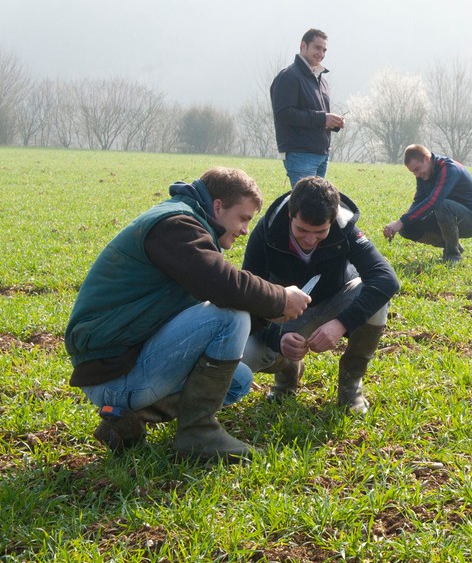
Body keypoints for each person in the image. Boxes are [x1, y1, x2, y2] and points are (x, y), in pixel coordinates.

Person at [65, 168, 312, 461]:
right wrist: (280, 298)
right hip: (112, 374)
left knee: (238, 379)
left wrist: (269, 315)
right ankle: (198, 434)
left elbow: (205, 293)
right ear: (218, 206)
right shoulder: (175, 225)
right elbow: (221, 283)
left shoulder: (186, 225)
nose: (246, 229)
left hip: (126, 362)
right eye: (243, 218)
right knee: (230, 317)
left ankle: (127, 420)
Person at [242, 176, 400, 414]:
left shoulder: (345, 226)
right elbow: (250, 295)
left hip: (337, 300)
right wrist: (278, 338)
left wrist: (341, 324)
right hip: (285, 313)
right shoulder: (266, 232)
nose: (309, 240)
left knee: (377, 302)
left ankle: (351, 385)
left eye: (320, 232)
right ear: (290, 215)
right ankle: (286, 377)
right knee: (247, 355)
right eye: (302, 230)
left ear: (332, 220)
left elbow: (386, 278)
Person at [382, 144, 472, 264]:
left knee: (442, 205)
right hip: (444, 215)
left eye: (417, 169)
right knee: (407, 228)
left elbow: (434, 201)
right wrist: (404, 222)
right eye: (413, 172)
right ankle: (454, 245)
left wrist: (401, 221)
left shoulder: (449, 168)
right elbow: (419, 200)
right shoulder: (423, 174)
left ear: (426, 158)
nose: (417, 174)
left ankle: (452, 255)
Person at [271, 28, 345, 187]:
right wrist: (323, 118)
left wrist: (333, 123)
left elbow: (318, 117)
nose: (321, 53)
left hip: (322, 155)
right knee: (304, 208)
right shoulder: (289, 76)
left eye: (324, 50)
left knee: (316, 207)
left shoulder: (322, 80)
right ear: (303, 46)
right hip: (300, 155)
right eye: (317, 48)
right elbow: (284, 114)